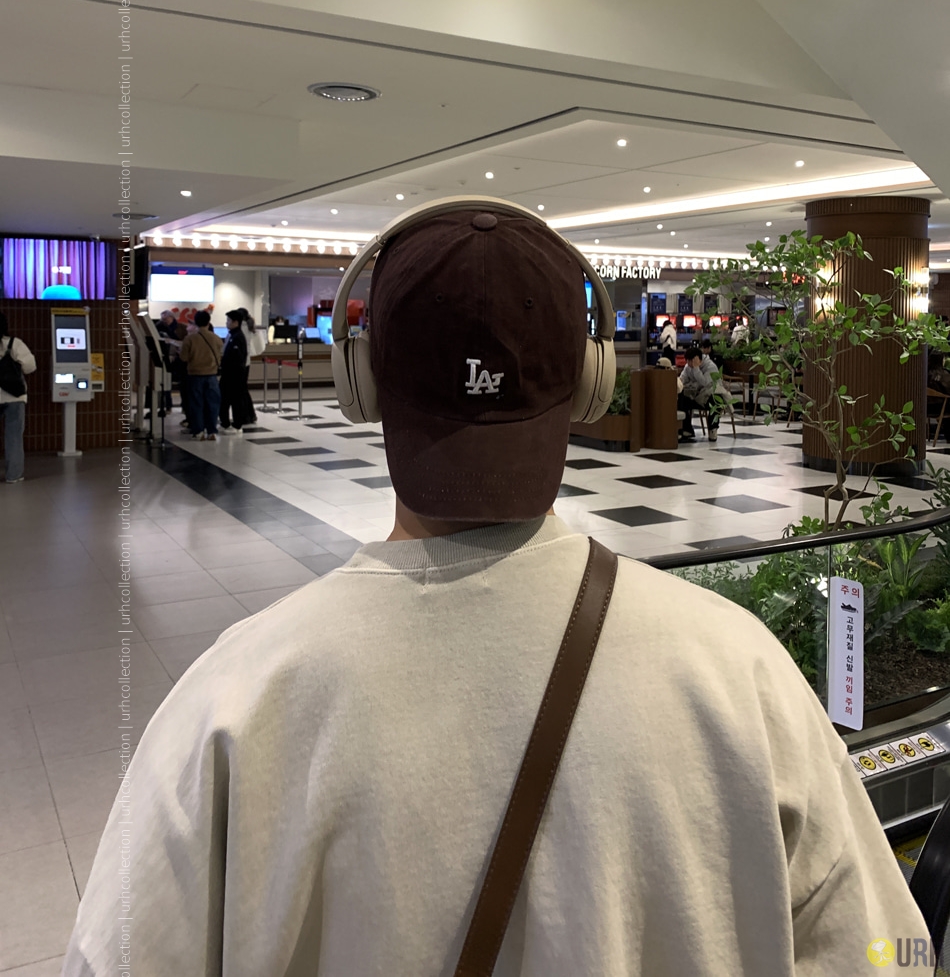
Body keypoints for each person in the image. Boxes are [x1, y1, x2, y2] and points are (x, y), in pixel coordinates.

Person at [64, 201, 930, 977]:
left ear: (364, 384)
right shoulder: (741, 670)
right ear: (588, 381)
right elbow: (892, 951)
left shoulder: (232, 703)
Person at [0, 312, 36, 483]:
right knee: (14, 437)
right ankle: (13, 475)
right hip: (15, 397)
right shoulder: (15, 344)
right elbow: (30, 366)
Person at [178, 309, 223, 441]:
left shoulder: (190, 339)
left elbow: (184, 358)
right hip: (212, 375)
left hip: (195, 375)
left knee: (196, 403)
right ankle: (212, 431)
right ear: (209, 322)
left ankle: (199, 431)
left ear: (196, 323)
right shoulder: (216, 338)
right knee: (213, 404)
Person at [219, 310, 253, 434]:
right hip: (227, 374)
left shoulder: (238, 337)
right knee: (224, 400)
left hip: (235, 376)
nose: (226, 323)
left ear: (236, 322)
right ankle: (225, 423)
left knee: (235, 401)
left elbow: (237, 358)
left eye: (229, 320)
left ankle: (237, 425)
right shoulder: (232, 335)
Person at [678, 344, 721, 442]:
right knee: (681, 399)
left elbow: (704, 383)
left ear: (698, 359)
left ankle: (713, 428)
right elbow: (683, 378)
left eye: (691, 361)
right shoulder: (688, 366)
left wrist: (696, 368)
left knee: (715, 400)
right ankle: (687, 429)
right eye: (687, 361)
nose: (689, 364)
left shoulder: (710, 366)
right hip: (696, 395)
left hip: (709, 394)